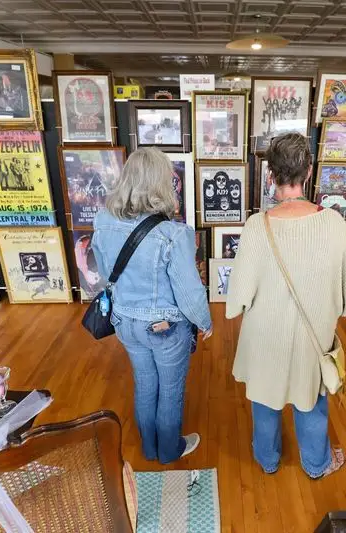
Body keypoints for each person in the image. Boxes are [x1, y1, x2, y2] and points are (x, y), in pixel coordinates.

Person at [225, 133, 346, 479]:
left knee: (265, 401)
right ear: (310, 171)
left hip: (265, 337)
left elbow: (236, 299)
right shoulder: (334, 223)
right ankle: (316, 464)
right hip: (312, 336)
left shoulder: (258, 226)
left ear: (270, 175)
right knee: (311, 402)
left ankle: (268, 460)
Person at [92, 147, 212, 464]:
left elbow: (106, 274)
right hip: (164, 326)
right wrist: (205, 322)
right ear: (162, 183)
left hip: (124, 321)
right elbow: (189, 291)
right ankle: (169, 450)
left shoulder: (103, 222)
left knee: (145, 383)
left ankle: (149, 448)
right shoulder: (173, 234)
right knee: (170, 390)